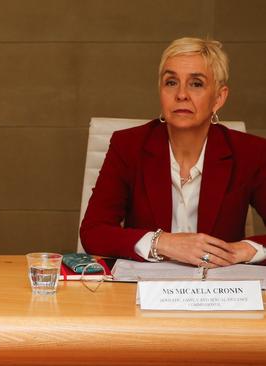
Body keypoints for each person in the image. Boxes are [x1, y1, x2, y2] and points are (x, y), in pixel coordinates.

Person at [80, 37, 266, 268]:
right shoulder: (128, 146)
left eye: (196, 83)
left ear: (219, 98)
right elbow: (93, 231)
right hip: (142, 292)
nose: (181, 94)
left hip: (217, 293)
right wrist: (163, 243)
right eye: (171, 82)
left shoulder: (250, 152)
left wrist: (245, 249)